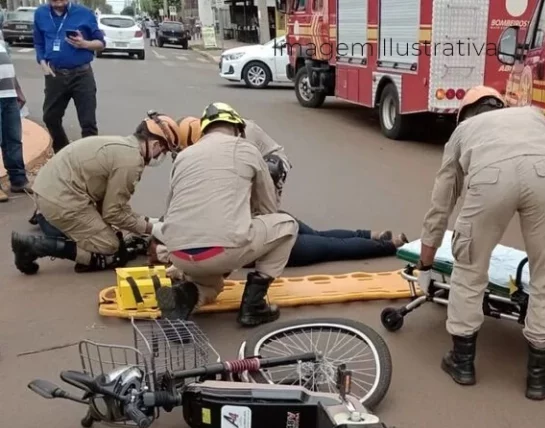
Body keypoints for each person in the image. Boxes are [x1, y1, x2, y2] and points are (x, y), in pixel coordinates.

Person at [417, 86, 545, 400]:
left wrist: (426, 264)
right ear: (501, 105)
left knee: (469, 272)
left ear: (465, 114)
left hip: (489, 180)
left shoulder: (463, 131)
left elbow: (441, 203)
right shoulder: (534, 116)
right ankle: (538, 377)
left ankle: (463, 363)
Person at [173, 116, 408, 267]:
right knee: (323, 238)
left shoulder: (202, 166)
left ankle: (389, 244)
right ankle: (376, 236)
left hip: (257, 236)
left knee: (329, 245)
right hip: (263, 225)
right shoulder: (229, 154)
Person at [154, 103, 299, 327]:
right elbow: (268, 208)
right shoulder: (246, 148)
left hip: (179, 254)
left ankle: (185, 296)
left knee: (212, 286)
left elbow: (171, 209)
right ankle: (254, 305)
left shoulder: (184, 156)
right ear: (238, 127)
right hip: (221, 249)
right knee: (288, 225)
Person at [10, 113, 180, 274]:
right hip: (61, 200)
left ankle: (50, 223)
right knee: (110, 247)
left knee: (108, 233)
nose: (161, 155)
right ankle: (33, 247)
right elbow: (113, 212)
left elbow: (108, 202)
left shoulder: (123, 146)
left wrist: (148, 222)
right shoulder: (131, 162)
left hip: (50, 191)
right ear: (156, 144)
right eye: (164, 150)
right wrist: (151, 228)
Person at [33, 0, 105, 153]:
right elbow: (39, 42)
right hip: (54, 75)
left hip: (82, 75)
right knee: (50, 117)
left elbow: (101, 43)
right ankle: (64, 154)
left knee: (88, 123)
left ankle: (90, 159)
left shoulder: (85, 13)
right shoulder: (40, 14)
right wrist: (42, 62)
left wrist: (84, 44)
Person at [0, 40, 30, 202]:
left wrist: (17, 89)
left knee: (13, 139)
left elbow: (8, 65)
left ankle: (18, 180)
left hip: (8, 95)